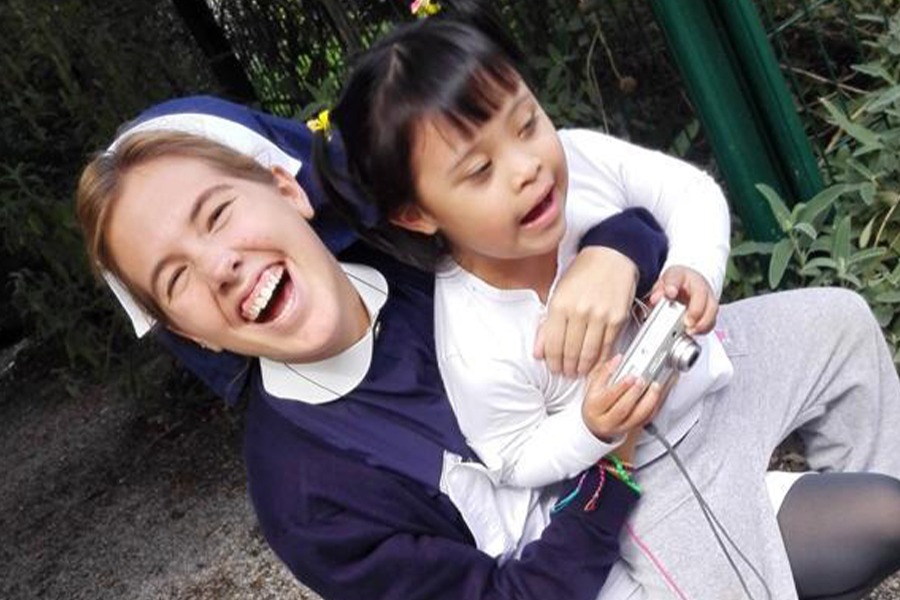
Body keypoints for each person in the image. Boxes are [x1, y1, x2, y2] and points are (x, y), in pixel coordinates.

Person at [314, 7, 900, 600]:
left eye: (526, 124)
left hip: (711, 365)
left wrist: (691, 265)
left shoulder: (582, 156)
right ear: (417, 215)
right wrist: (591, 427)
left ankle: (877, 486)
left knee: (841, 323)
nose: (528, 168)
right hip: (655, 472)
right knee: (737, 585)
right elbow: (514, 457)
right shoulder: (471, 335)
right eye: (480, 170)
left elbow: (689, 192)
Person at [75, 97, 675, 600]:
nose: (219, 265)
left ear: (286, 188)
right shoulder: (304, 499)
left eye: (218, 215)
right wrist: (611, 465)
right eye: (176, 280)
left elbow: (621, 220)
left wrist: (613, 255)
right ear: (191, 335)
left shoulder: (421, 235)